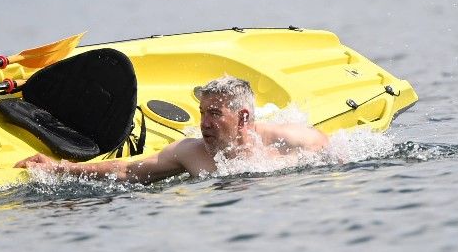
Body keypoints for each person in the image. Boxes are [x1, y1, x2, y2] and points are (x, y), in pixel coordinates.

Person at [21, 76, 328, 183]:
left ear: (243, 117)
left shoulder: (288, 140)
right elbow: (128, 171)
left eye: (215, 114)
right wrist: (62, 168)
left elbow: (331, 150)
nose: (204, 123)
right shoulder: (190, 153)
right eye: (202, 113)